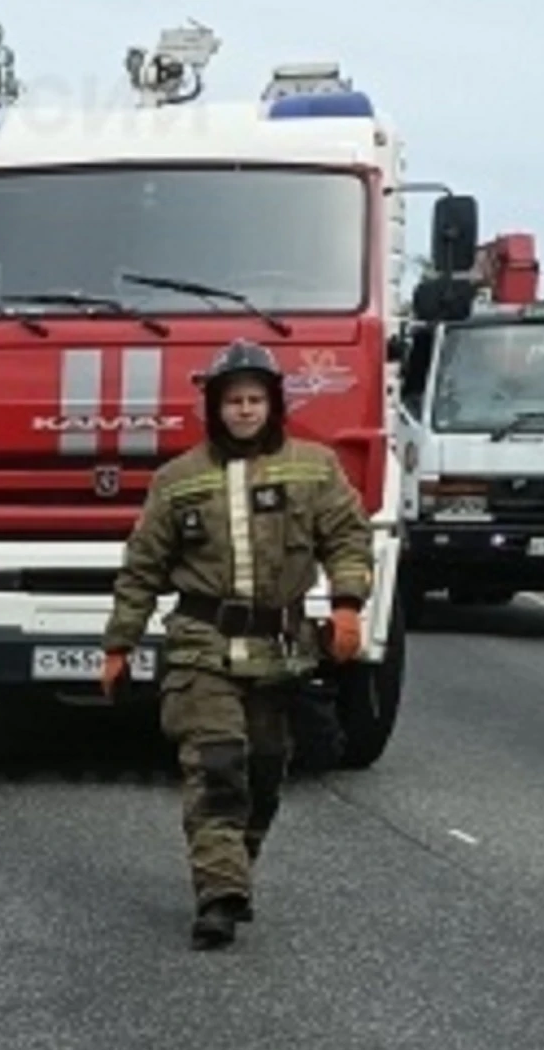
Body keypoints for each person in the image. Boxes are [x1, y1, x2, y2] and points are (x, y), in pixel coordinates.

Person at [100, 339, 372, 950]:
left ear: (272, 405)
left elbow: (348, 540)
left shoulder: (315, 466)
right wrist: (119, 644)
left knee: (265, 774)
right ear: (214, 408)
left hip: (281, 652)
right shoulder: (177, 481)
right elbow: (141, 568)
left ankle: (234, 866)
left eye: (254, 400)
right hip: (202, 649)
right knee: (217, 766)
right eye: (233, 401)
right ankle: (218, 898)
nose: (244, 411)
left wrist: (348, 607)